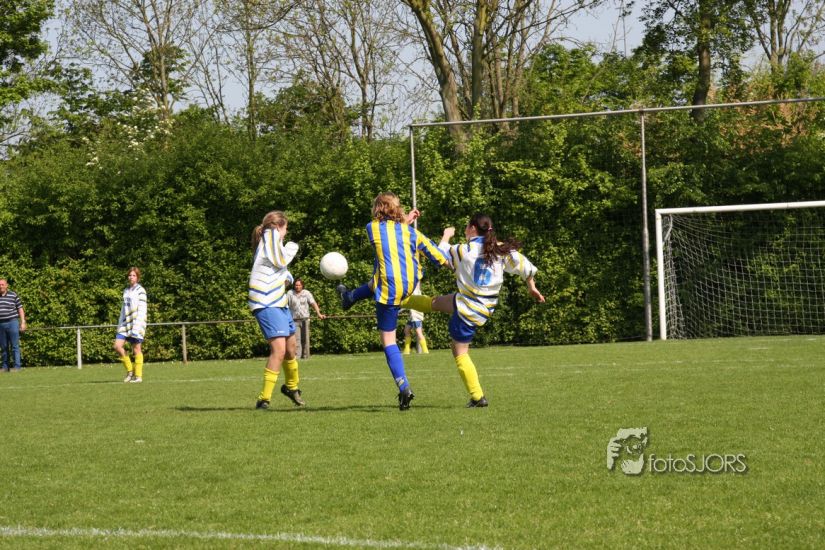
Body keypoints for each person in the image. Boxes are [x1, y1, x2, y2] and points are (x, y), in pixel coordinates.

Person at [402, 213, 545, 408]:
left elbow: (439, 254)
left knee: (459, 350)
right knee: (435, 302)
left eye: (466, 227)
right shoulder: (500, 249)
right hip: (479, 304)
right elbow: (525, 266)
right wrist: (531, 287)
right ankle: (400, 301)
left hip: (469, 308)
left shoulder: (463, 250)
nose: (464, 230)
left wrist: (446, 236)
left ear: (472, 229)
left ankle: (478, 397)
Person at [337, 192, 450, 410]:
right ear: (398, 209)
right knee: (378, 278)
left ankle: (403, 387)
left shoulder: (372, 228)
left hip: (389, 290)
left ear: (377, 209)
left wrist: (404, 219)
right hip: (409, 285)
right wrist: (455, 265)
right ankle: (349, 298)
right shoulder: (412, 233)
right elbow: (439, 257)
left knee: (388, 340)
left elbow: (387, 231)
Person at [248, 210, 306, 409]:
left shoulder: (273, 244)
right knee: (279, 350)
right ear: (279, 226)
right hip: (266, 302)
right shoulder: (270, 234)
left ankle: (292, 387)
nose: (286, 232)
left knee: (291, 349)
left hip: (278, 302)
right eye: (286, 228)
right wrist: (293, 247)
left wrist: (287, 278)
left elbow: (281, 269)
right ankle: (263, 399)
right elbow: (281, 260)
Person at [114, 267, 148, 383]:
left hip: (137, 323)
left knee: (136, 349)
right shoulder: (126, 291)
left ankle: (138, 376)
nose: (131, 277)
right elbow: (123, 310)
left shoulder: (141, 290)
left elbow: (142, 310)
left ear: (137, 277)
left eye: (133, 275)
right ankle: (130, 371)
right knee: (117, 346)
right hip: (125, 323)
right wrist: (120, 324)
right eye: (130, 275)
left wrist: (137, 327)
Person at [287, 278, 326, 359]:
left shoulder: (306, 293)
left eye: (299, 285)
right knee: (296, 339)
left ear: (302, 286)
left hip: (305, 319)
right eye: (296, 285)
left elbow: (313, 303)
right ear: (294, 286)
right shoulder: (290, 293)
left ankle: (305, 356)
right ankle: (297, 357)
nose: (297, 287)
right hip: (294, 320)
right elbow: (285, 305)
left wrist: (319, 313)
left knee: (305, 339)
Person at [0, 278, 27, 372]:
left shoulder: (13, 295)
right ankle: (5, 367)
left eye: (2, 284)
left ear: (6, 285)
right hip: (1, 324)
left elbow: (20, 309)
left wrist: (23, 322)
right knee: (4, 347)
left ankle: (17, 367)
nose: (1, 286)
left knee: (15, 346)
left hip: (12, 322)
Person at [402, 282, 428, 355]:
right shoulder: (412, 291)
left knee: (418, 332)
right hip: (412, 316)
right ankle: (407, 350)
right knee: (406, 330)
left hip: (416, 316)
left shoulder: (416, 292)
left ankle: (425, 351)